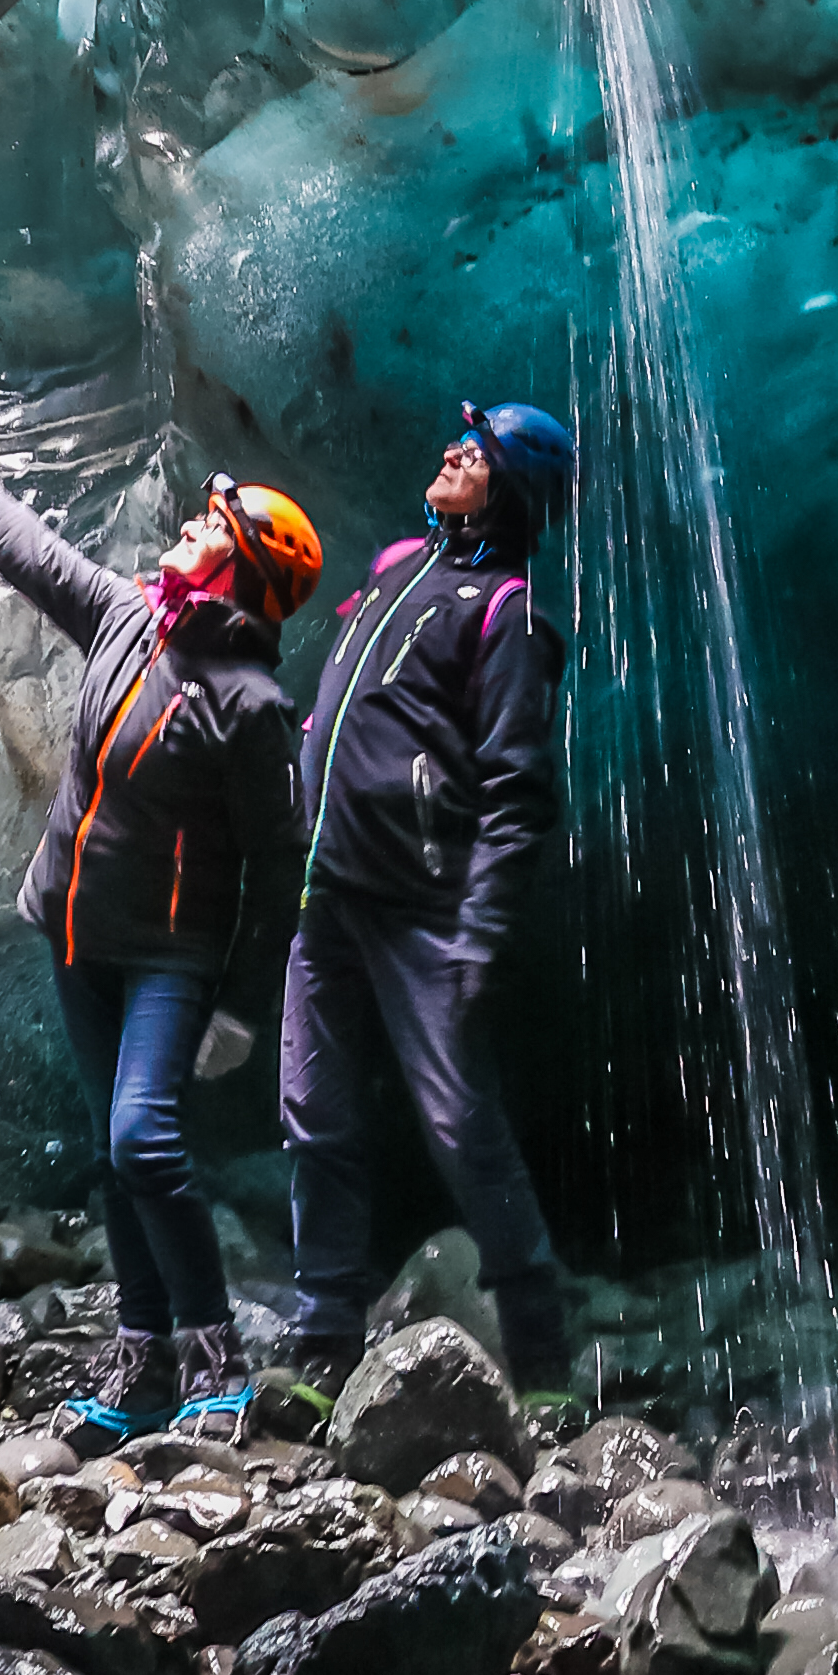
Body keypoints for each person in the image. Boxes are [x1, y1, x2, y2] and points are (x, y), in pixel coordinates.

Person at [0, 411, 319, 1441]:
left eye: (213, 523)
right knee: (114, 1146)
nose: (191, 524)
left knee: (145, 1138)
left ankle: (214, 1359)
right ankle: (139, 1374)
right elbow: (34, 557)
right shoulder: (135, 618)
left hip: (170, 957)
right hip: (78, 936)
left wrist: (240, 1005)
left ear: (244, 567)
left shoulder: (251, 704)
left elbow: (281, 868)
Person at [285, 397, 579, 1402]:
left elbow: (518, 789)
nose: (455, 450)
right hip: (330, 888)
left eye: (481, 449)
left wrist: (481, 931)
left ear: (514, 490)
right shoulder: (395, 568)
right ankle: (323, 1339)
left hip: (423, 905)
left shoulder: (507, 614)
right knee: (313, 1112)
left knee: (461, 1127)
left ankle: (540, 1354)